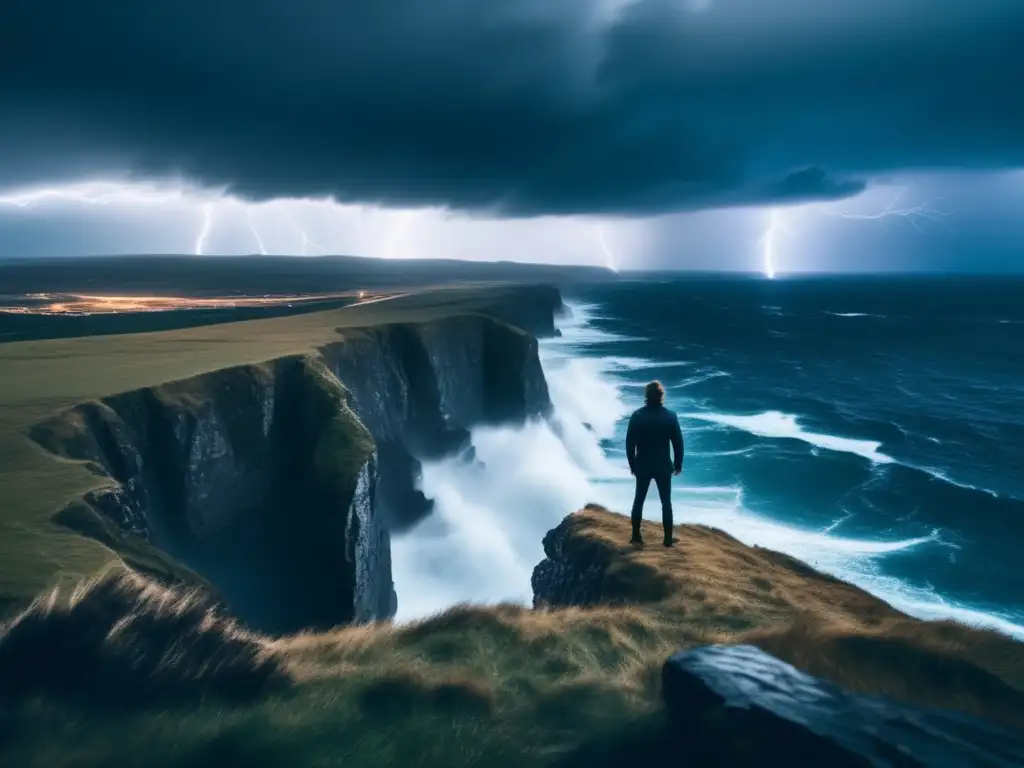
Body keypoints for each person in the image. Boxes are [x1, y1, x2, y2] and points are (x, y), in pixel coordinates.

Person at [625, 380, 683, 546]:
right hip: (663, 465)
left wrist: (632, 465)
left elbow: (630, 444)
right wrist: (678, 464)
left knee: (639, 500)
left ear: (646, 396)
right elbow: (678, 443)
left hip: (642, 464)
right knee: (666, 502)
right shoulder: (670, 417)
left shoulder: (637, 416)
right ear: (661, 396)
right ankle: (667, 540)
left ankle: (636, 536)